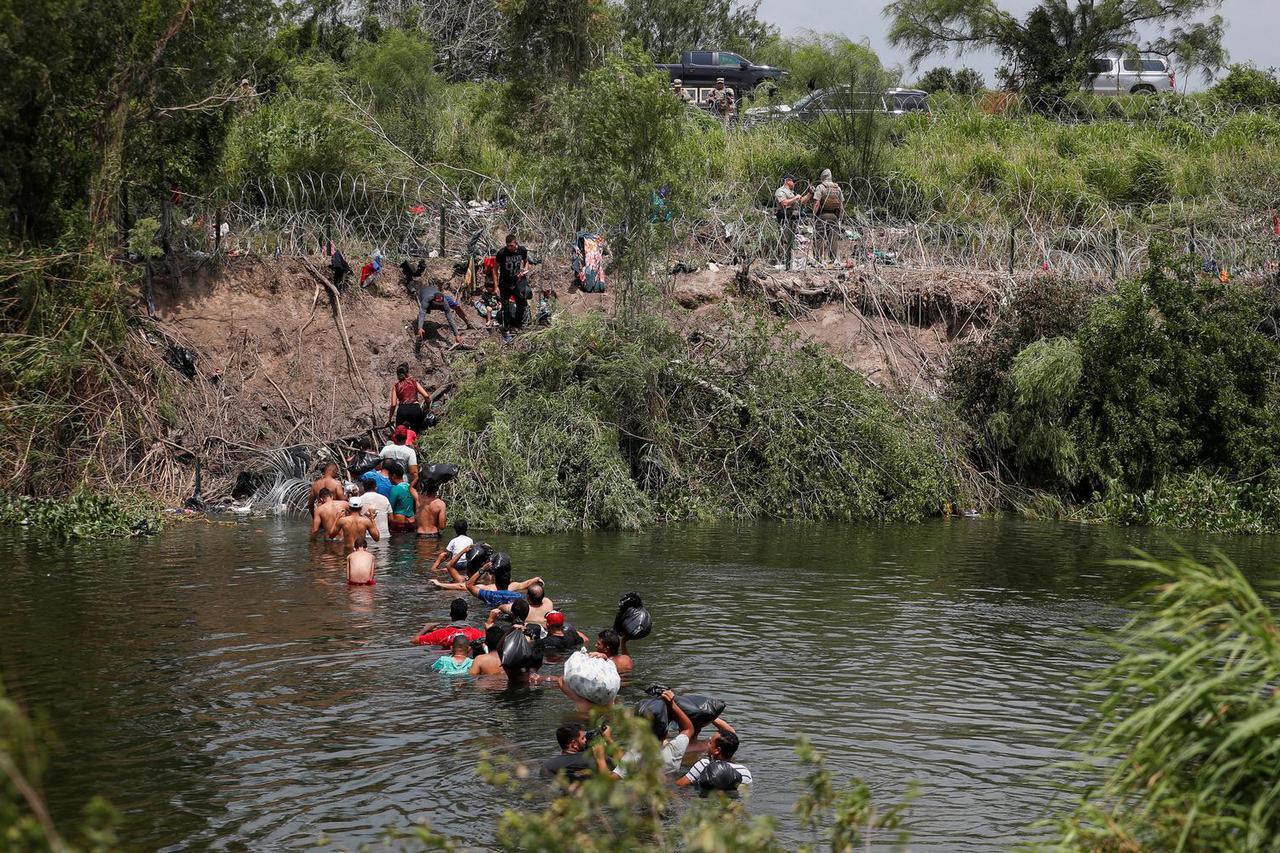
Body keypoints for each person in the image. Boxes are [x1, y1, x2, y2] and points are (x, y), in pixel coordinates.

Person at [615, 689, 695, 778]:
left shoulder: (633, 755)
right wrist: (672, 704)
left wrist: (600, 758)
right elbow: (689, 728)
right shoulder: (674, 750)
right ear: (666, 733)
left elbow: (612, 778)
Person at [676, 728, 751, 791]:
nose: (707, 745)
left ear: (717, 750)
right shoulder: (745, 771)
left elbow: (679, 785)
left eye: (710, 742)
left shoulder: (704, 764)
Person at [542, 723, 612, 782]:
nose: (585, 740)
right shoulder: (592, 759)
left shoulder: (548, 766)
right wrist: (609, 740)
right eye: (583, 738)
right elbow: (620, 769)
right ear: (574, 744)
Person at [492, 233, 530, 339]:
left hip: (517, 281)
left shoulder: (522, 250)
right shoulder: (502, 253)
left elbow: (526, 262)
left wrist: (525, 271)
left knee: (521, 301)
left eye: (511, 245)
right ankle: (506, 327)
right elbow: (495, 269)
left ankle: (518, 324)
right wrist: (496, 287)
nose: (509, 248)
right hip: (504, 282)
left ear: (516, 243)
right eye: (508, 245)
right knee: (506, 306)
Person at [416, 279, 473, 347]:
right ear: (433, 301)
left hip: (436, 292)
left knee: (457, 306)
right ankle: (419, 332)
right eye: (437, 304)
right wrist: (420, 327)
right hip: (423, 292)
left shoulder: (444, 302)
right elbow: (422, 314)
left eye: (440, 304)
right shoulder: (426, 300)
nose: (438, 305)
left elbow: (450, 319)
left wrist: (457, 335)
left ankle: (468, 323)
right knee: (422, 313)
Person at [414, 598, 485, 647]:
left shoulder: (440, 634)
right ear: (466, 615)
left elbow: (414, 641)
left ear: (450, 614)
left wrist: (426, 628)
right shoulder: (477, 634)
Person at [774, 175, 810, 269]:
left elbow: (801, 201)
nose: (794, 183)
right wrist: (795, 198)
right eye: (793, 181)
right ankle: (785, 263)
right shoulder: (780, 191)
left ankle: (789, 263)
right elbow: (784, 203)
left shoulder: (791, 192)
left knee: (791, 242)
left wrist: (810, 194)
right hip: (784, 219)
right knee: (785, 241)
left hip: (792, 219)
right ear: (787, 181)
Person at [810, 168, 844, 266]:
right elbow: (841, 205)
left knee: (819, 237)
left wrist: (813, 216)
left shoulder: (821, 187)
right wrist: (840, 217)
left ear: (822, 177)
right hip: (834, 216)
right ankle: (833, 259)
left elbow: (816, 203)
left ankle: (818, 259)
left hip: (822, 215)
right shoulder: (837, 188)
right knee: (833, 238)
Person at [389, 363, 432, 433]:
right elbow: (426, 396)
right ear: (407, 373)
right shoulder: (414, 383)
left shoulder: (396, 386)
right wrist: (428, 407)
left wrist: (390, 419)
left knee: (400, 434)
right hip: (415, 409)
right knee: (416, 434)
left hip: (403, 411)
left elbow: (393, 404)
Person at [385, 460, 416, 533]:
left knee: (398, 542)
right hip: (411, 521)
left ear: (394, 476)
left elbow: (390, 509)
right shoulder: (410, 487)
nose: (388, 478)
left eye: (389, 476)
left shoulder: (395, 489)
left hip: (399, 522)